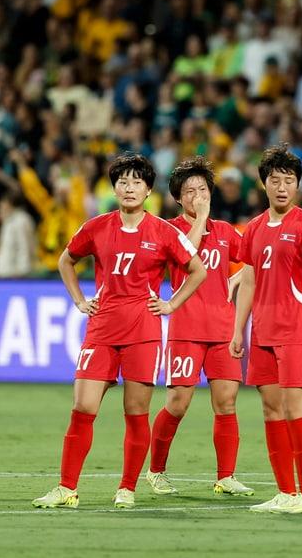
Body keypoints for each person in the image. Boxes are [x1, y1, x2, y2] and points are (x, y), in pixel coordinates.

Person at [33, 153, 206, 510]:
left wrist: (171, 304)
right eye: (123, 182)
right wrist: (80, 300)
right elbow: (66, 260)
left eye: (136, 182)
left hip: (142, 330)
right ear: (114, 188)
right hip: (101, 327)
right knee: (83, 406)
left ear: (147, 190)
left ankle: (127, 488)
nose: (129, 188)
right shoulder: (97, 227)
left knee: (135, 411)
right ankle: (67, 488)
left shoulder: (163, 231)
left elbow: (197, 269)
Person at [230, 145, 302, 515]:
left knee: (296, 411)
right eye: (275, 180)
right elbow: (247, 282)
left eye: (289, 180)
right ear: (264, 183)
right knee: (270, 411)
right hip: (261, 333)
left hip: (296, 331)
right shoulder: (255, 228)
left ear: (298, 185)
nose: (282, 187)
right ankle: (285, 491)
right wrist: (238, 331)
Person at [146, 157, 253, 499]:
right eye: (190, 191)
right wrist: (202, 220)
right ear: (178, 198)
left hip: (222, 328)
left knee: (227, 402)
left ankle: (226, 476)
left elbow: (251, 262)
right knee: (178, 403)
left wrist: (235, 281)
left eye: (203, 189)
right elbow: (184, 255)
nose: (198, 196)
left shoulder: (224, 232)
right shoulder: (170, 229)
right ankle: (156, 471)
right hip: (186, 327)